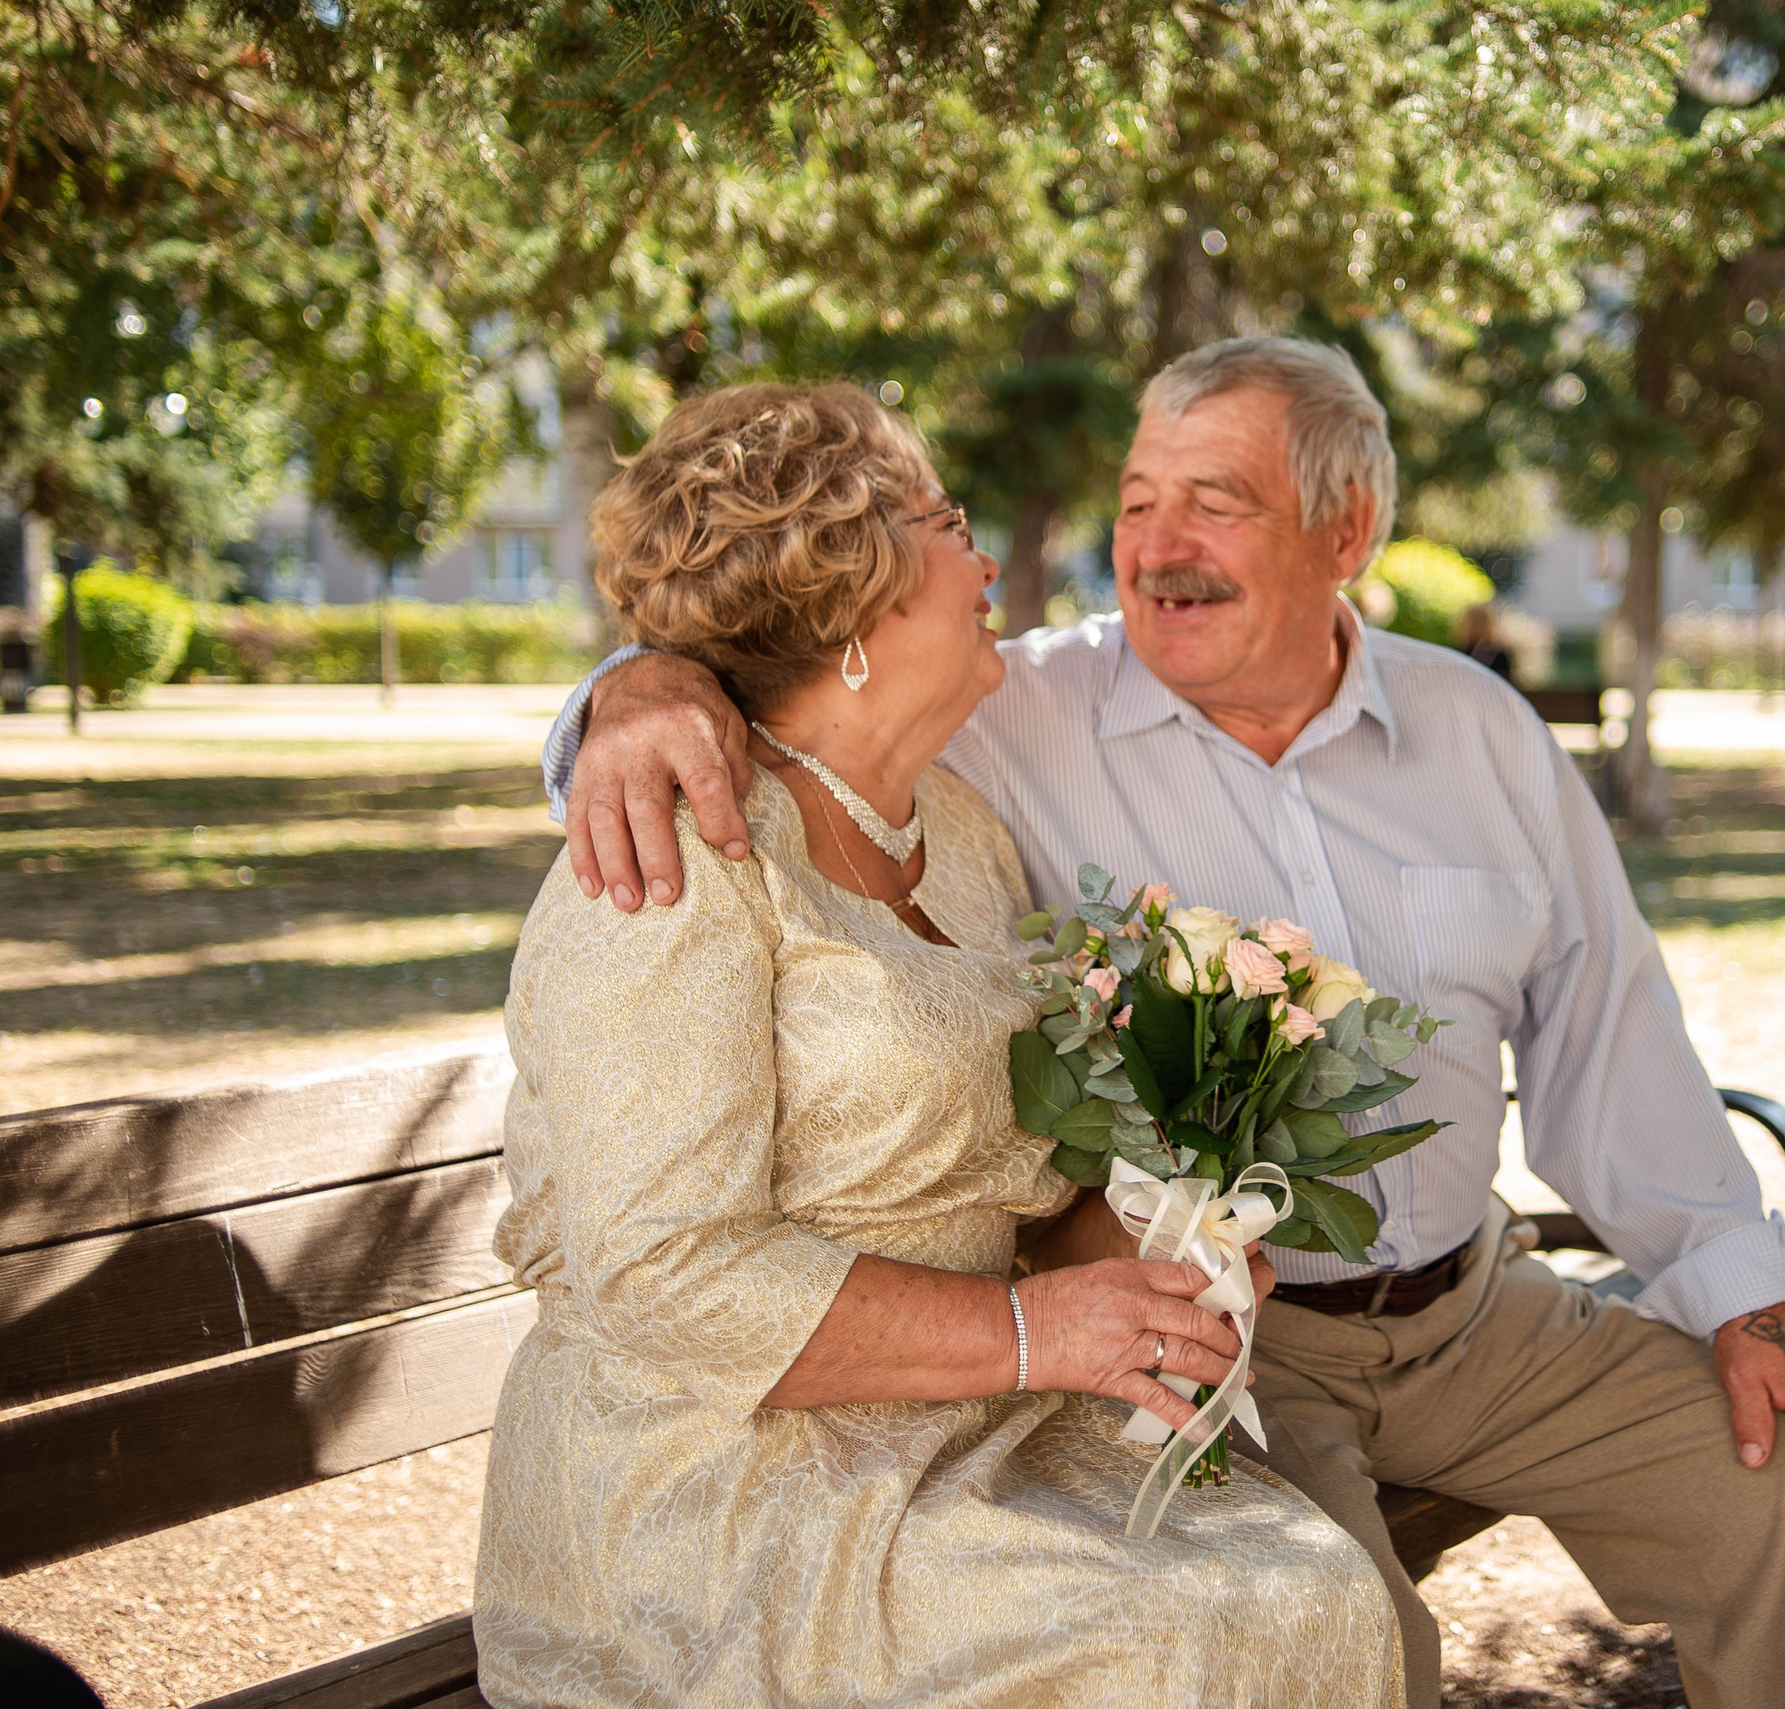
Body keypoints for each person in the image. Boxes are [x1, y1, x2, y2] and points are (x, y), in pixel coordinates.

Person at [542, 339, 1785, 1709]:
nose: (1154, 546)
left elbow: (1610, 1038)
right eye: (1136, 500)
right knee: (1350, 1633)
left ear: (1347, 530)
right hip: (1238, 1344)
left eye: (1214, 500)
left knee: (1777, 1478)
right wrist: (637, 687)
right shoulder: (1016, 719)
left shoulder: (1477, 732)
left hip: (1475, 1309)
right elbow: (784, 669)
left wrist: (1749, 1298)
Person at [476, 380, 1405, 1709]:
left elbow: (994, 1191)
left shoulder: (960, 832)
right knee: (1188, 1631)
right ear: (853, 595)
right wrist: (1032, 1331)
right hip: (717, 1498)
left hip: (961, 1440)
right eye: (948, 520)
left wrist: (1160, 1243)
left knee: (1309, 1588)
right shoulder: (676, 849)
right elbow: (663, 1273)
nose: (988, 559)